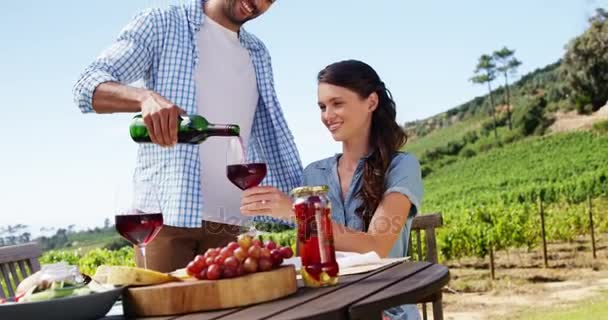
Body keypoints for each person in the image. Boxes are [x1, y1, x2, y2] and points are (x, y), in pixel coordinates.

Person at [73, 0, 302, 272]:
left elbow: (264, 138)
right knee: (162, 311)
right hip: (167, 221)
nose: (258, 3)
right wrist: (144, 97)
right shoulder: (162, 23)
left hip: (231, 224)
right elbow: (87, 86)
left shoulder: (257, 52)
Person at [241, 59, 422, 319]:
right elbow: (309, 261)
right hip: (329, 309)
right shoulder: (313, 174)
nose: (327, 116)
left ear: (371, 102)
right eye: (322, 107)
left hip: (385, 309)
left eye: (337, 103)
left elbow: (377, 246)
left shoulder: (402, 166)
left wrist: (299, 212)